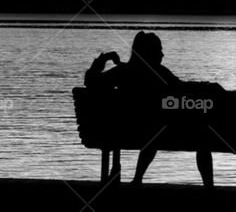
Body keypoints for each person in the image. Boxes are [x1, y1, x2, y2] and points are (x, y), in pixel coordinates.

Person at [85, 31, 215, 187]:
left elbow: (91, 81)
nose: (162, 54)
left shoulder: (122, 72)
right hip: (157, 133)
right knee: (202, 136)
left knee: (152, 129)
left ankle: (137, 178)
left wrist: (104, 58)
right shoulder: (160, 73)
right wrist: (207, 86)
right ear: (150, 52)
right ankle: (209, 187)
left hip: (123, 131)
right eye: (159, 50)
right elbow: (182, 88)